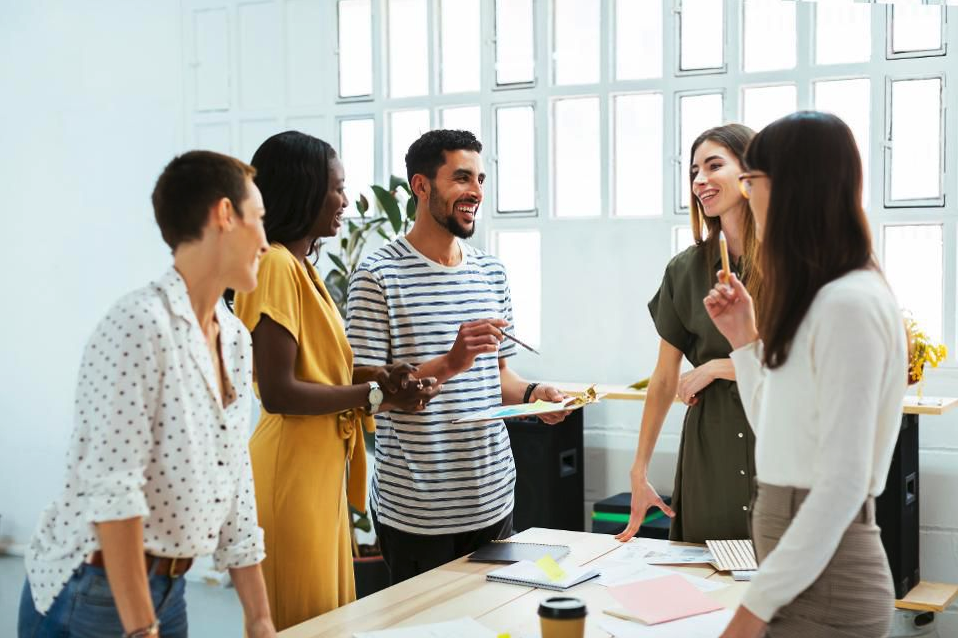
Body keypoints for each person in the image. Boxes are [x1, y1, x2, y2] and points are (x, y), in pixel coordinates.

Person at [18, 151, 276, 638]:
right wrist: (140, 630)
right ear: (225, 215)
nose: (265, 242)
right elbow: (115, 492)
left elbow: (236, 479)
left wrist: (259, 616)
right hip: (92, 589)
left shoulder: (236, 339)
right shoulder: (137, 325)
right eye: (258, 220)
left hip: (169, 589)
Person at [704, 111, 907, 638]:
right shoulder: (824, 297)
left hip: (827, 588)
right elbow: (777, 435)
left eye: (751, 181)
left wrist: (751, 612)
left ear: (792, 186)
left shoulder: (849, 304)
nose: (746, 196)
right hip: (799, 574)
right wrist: (744, 342)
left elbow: (841, 484)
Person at [232, 131, 439, 630]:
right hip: (292, 468)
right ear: (304, 190)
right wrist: (374, 393)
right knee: (301, 620)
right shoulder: (277, 264)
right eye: (338, 188)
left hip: (318, 465)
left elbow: (320, 367)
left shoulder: (301, 266)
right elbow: (280, 391)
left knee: (328, 618)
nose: (347, 200)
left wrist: (383, 376)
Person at [346, 129, 568, 584]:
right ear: (421, 186)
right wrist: (449, 362)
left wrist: (534, 394)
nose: (476, 193)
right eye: (462, 178)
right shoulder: (377, 275)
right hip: (417, 513)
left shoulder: (491, 271)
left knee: (495, 625)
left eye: (481, 180)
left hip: (492, 499)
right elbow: (362, 394)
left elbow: (499, 375)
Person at [616, 124, 761, 544]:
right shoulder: (684, 270)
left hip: (775, 435)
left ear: (750, 173)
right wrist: (639, 469)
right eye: (694, 171)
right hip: (708, 448)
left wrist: (718, 366)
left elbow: (801, 358)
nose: (700, 180)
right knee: (704, 581)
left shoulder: (791, 260)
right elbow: (664, 376)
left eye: (714, 166)